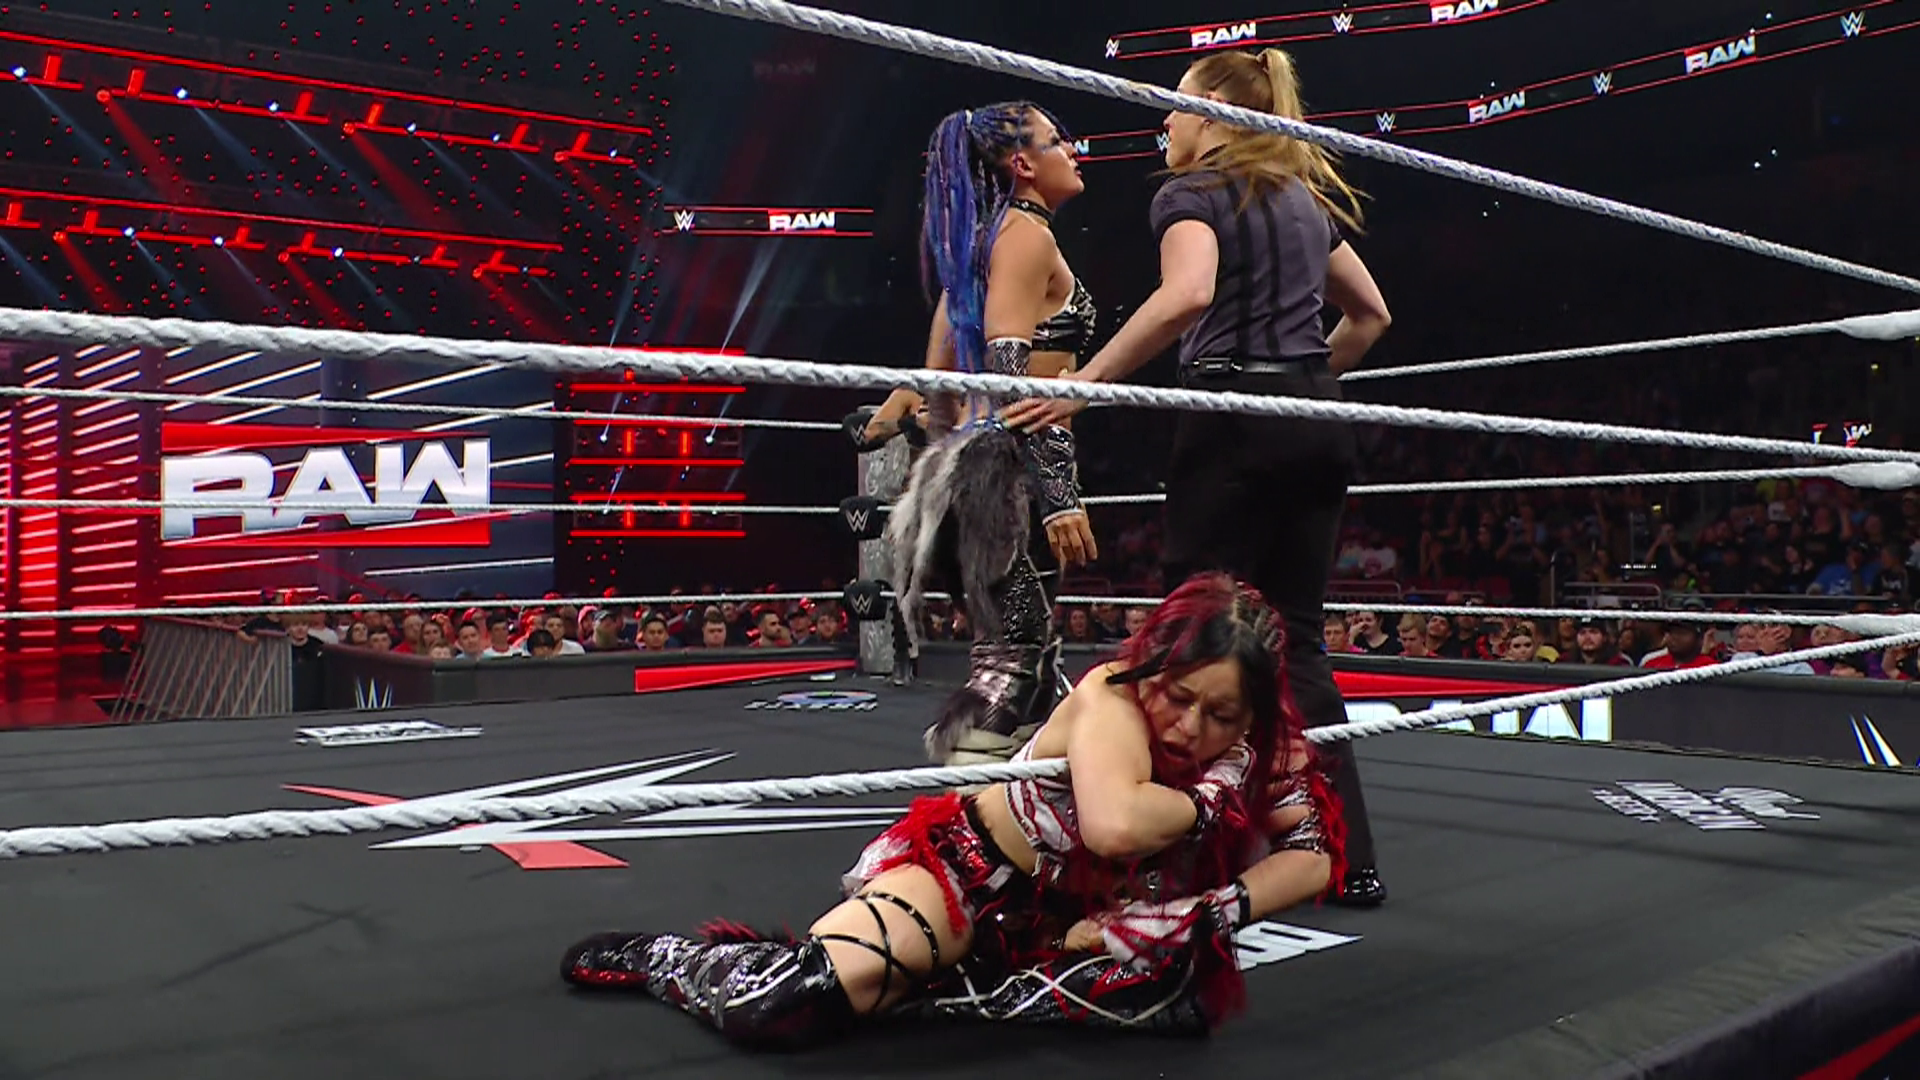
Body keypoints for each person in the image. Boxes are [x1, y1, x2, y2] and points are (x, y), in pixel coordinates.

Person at [560, 573, 1344, 1045]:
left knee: (1183, 1002)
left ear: (1253, 713)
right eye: (1179, 697)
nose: (1190, 728)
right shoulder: (1114, 697)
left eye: (1221, 715)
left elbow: (1311, 857)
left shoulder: (1264, 740)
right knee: (791, 1005)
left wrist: (1190, 915)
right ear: (1152, 668)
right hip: (970, 879)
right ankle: (670, 958)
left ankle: (961, 986)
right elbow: (1115, 824)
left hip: (1082, 921)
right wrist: (1211, 797)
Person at [1003, 49, 1392, 907]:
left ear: (1213, 112)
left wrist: (1084, 387)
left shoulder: (1194, 192)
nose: (1166, 123)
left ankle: (1163, 848)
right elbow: (1371, 316)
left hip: (1230, 421)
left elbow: (1187, 294)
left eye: (1175, 107)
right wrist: (1300, 388)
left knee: (1193, 634)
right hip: (1316, 419)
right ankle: (1347, 857)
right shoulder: (1304, 200)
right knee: (1300, 641)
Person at [848, 100, 1101, 768]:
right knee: (1012, 670)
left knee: (1012, 656)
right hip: (1011, 471)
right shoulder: (1024, 237)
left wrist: (937, 455)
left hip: (982, 469)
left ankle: (1006, 798)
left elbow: (936, 374)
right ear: (1023, 164)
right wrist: (1059, 494)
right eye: (1057, 140)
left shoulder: (983, 242)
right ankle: (981, 811)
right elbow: (1008, 375)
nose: (1073, 151)